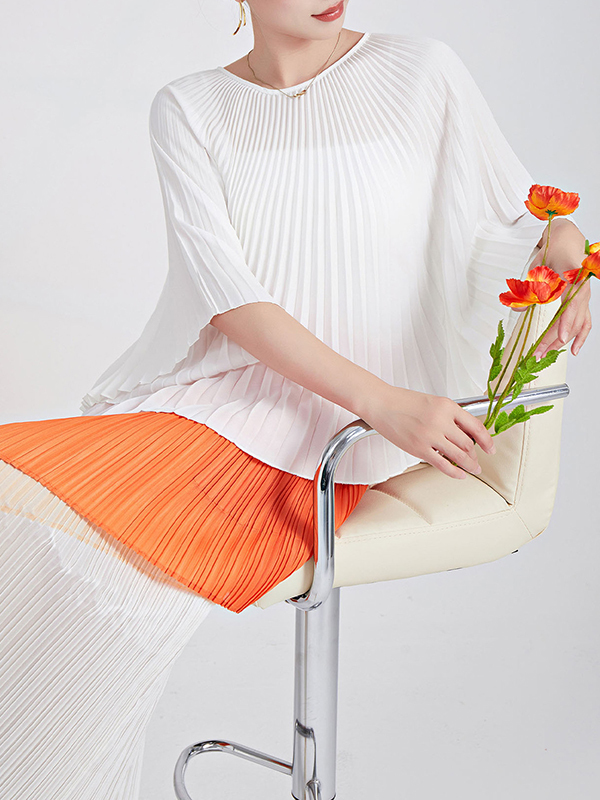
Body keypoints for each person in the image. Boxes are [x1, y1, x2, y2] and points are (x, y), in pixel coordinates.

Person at [0, 2, 591, 797]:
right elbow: (230, 300)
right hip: (233, 400)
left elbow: (516, 218)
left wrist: (575, 254)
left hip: (336, 440)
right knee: (39, 528)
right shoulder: (189, 107)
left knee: (93, 561)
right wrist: (381, 400)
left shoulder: (422, 71)